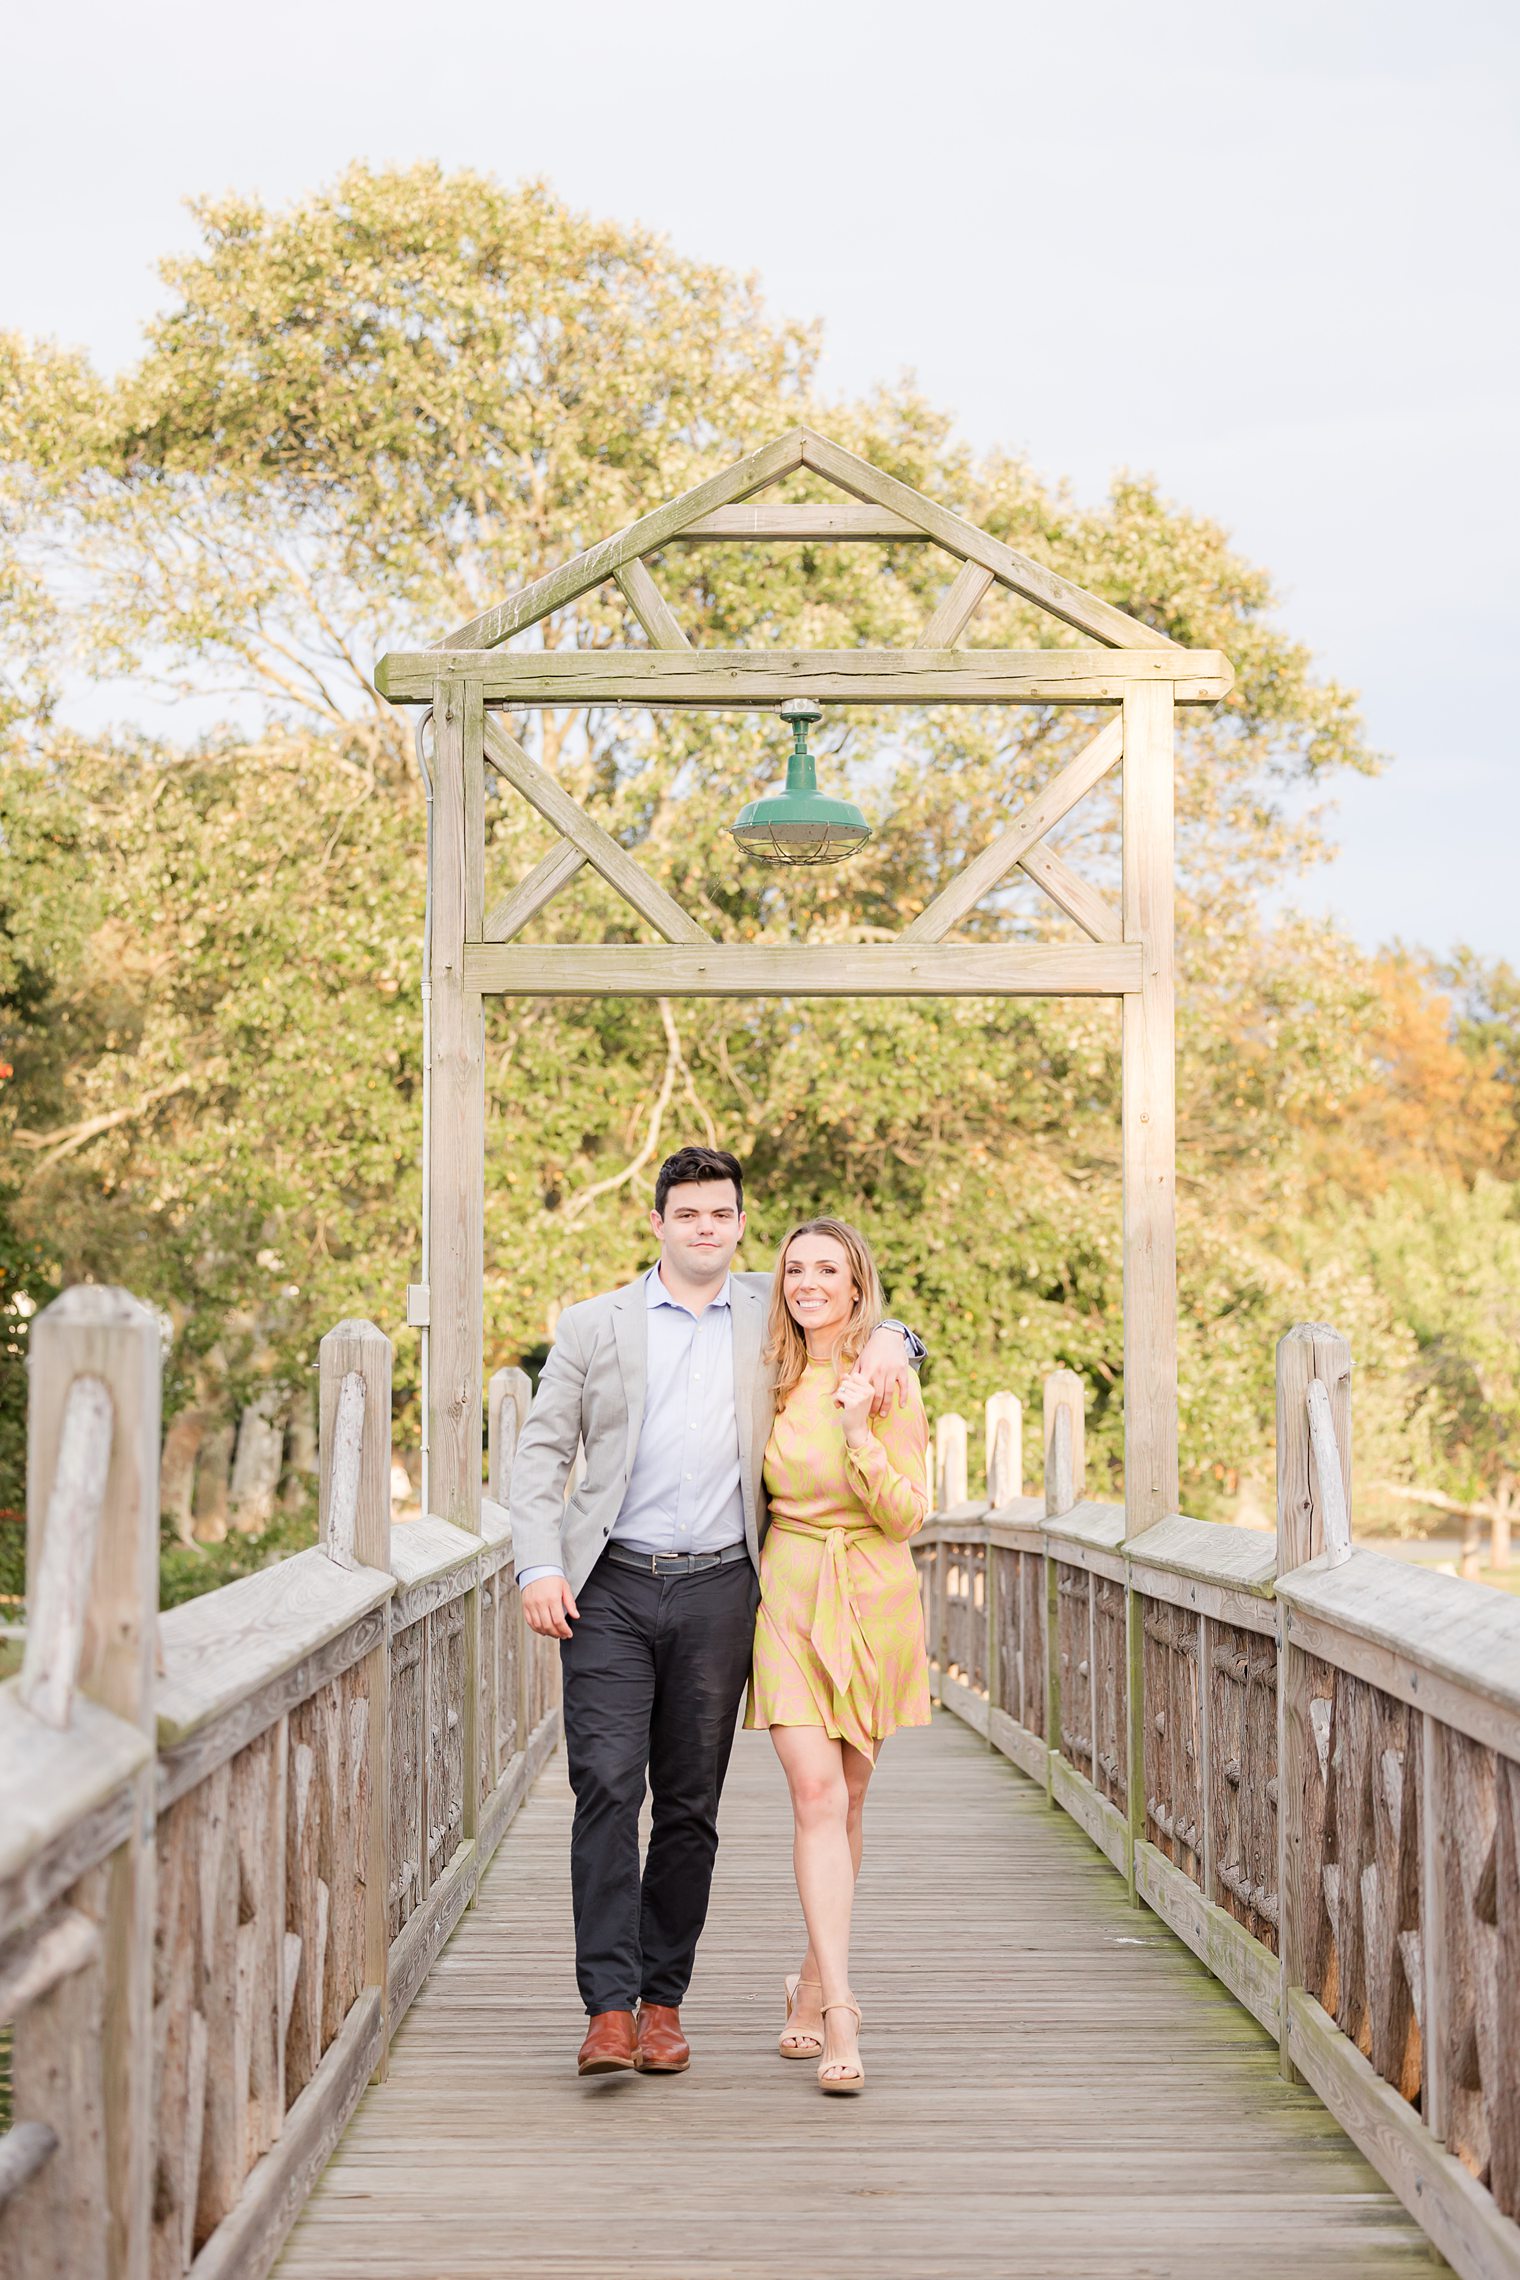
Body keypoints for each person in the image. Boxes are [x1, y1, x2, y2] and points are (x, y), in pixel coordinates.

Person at [509, 1146, 925, 2078]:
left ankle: (665, 2003)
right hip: (608, 1583)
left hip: (725, 1586)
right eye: (687, 1213)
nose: (705, 1227)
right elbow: (539, 1455)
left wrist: (901, 1340)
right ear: (656, 1223)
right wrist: (539, 1562)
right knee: (609, 1786)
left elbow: (857, 1316)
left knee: (691, 1803)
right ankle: (608, 2009)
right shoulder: (591, 1325)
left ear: (740, 1227)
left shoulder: (763, 1314)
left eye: (722, 1215)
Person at [745, 1217, 932, 2094]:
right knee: (815, 1793)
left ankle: (811, 1978)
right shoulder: (766, 1372)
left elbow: (907, 1516)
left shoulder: (885, 1379)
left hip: (875, 1598)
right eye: (795, 1268)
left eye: (828, 1269)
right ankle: (843, 2009)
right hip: (788, 1593)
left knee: (849, 1799)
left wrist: (861, 1430)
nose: (808, 1282)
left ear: (858, 1285)